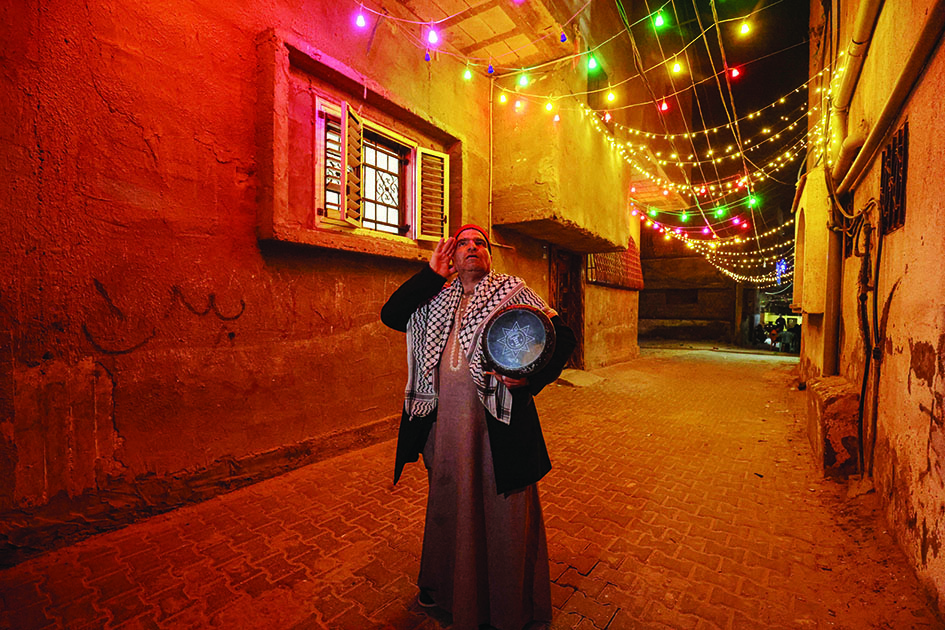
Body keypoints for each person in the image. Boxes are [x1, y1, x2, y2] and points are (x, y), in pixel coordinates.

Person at [380, 224, 576, 630]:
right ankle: (452, 594)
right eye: (463, 243)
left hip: (498, 430)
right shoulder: (435, 296)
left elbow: (563, 337)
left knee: (504, 514)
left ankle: (505, 608)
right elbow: (392, 315)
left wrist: (531, 379)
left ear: (490, 255)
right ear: (451, 256)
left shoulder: (513, 291)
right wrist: (431, 274)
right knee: (450, 509)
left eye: (480, 243)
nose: (472, 248)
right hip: (446, 430)